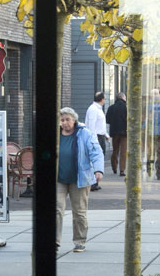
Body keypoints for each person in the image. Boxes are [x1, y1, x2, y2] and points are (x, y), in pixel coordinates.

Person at [57, 107, 104, 253]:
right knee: (56, 209)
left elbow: (96, 152)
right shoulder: (56, 134)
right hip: (59, 178)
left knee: (79, 212)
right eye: (62, 120)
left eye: (68, 120)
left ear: (74, 120)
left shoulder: (85, 134)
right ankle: (54, 242)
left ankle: (79, 241)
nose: (65, 123)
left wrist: (98, 169)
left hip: (80, 178)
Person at [85, 91, 109, 191]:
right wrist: (94, 141)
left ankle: (95, 182)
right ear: (102, 99)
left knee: (99, 159)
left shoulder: (98, 109)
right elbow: (91, 126)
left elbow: (100, 125)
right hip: (96, 137)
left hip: (100, 136)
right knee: (95, 159)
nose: (105, 100)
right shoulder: (93, 109)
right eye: (104, 98)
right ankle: (93, 183)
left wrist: (106, 135)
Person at [106, 92, 127, 176]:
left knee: (115, 150)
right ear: (122, 97)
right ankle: (122, 170)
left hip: (114, 132)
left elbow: (107, 120)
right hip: (124, 133)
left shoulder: (111, 107)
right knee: (123, 151)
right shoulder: (126, 107)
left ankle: (114, 167)